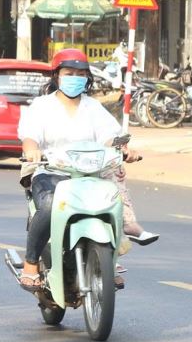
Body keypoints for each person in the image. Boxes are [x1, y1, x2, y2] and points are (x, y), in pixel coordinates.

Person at [14, 48, 148, 292]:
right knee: (50, 206)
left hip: (89, 174)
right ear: (57, 76)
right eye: (69, 72)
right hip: (51, 171)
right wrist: (32, 149)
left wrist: (124, 149)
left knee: (111, 203)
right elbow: (30, 137)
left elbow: (109, 137)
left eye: (80, 73)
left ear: (87, 77)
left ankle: (111, 259)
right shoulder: (42, 106)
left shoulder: (93, 107)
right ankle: (31, 264)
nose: (75, 77)